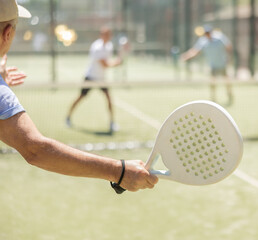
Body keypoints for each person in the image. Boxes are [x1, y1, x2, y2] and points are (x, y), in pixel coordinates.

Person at [0, 0, 158, 194]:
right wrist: (119, 171)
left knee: (108, 101)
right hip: (92, 78)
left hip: (99, 79)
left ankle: (106, 121)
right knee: (82, 99)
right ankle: (70, 116)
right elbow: (35, 150)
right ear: (7, 33)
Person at [66, 26, 122, 133]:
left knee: (109, 99)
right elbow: (105, 64)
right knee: (80, 97)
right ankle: (68, 117)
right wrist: (117, 63)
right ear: (101, 35)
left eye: (109, 34)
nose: (107, 36)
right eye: (105, 34)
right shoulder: (97, 47)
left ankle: (112, 123)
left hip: (101, 78)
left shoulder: (109, 46)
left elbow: (107, 62)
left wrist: (116, 62)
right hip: (90, 77)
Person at [181, 25, 233, 105]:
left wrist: (229, 57)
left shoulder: (219, 37)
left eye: (208, 33)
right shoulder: (202, 41)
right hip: (213, 65)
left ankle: (229, 94)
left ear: (211, 32)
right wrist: (186, 56)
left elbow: (228, 46)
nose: (207, 34)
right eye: (206, 33)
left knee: (227, 81)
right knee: (212, 82)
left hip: (222, 64)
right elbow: (195, 51)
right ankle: (213, 99)